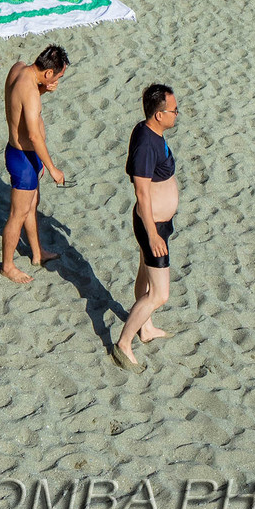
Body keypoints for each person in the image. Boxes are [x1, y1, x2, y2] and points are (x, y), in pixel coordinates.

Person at [112, 84, 179, 368]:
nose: (178, 114)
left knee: (145, 273)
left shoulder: (150, 132)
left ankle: (146, 328)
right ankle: (123, 344)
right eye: (174, 110)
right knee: (160, 294)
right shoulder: (145, 144)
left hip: (159, 223)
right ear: (159, 115)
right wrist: (152, 234)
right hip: (152, 226)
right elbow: (141, 191)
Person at [1, 47, 68, 282]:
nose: (58, 80)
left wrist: (43, 89)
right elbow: (33, 136)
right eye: (58, 76)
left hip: (26, 157)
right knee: (17, 214)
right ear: (48, 72)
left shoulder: (19, 68)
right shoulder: (30, 90)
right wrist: (52, 168)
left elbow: (18, 103)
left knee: (32, 205)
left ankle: (37, 254)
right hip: (23, 159)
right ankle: (7, 266)